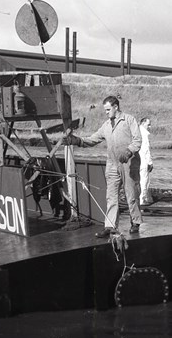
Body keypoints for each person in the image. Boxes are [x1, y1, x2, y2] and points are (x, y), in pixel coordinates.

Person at [63, 96, 143, 237]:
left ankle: (135, 222)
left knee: (132, 194)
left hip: (129, 163)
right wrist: (77, 140)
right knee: (111, 196)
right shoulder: (106, 125)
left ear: (116, 107)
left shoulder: (129, 120)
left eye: (108, 109)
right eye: (105, 110)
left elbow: (137, 140)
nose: (106, 112)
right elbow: (93, 139)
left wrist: (129, 151)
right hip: (112, 164)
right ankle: (110, 226)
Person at [138, 117, 153, 206]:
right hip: (143, 161)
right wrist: (150, 162)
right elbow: (146, 150)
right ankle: (142, 200)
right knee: (144, 181)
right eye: (148, 124)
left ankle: (141, 199)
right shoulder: (144, 134)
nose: (150, 127)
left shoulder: (136, 131)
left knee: (138, 180)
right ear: (143, 123)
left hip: (136, 160)